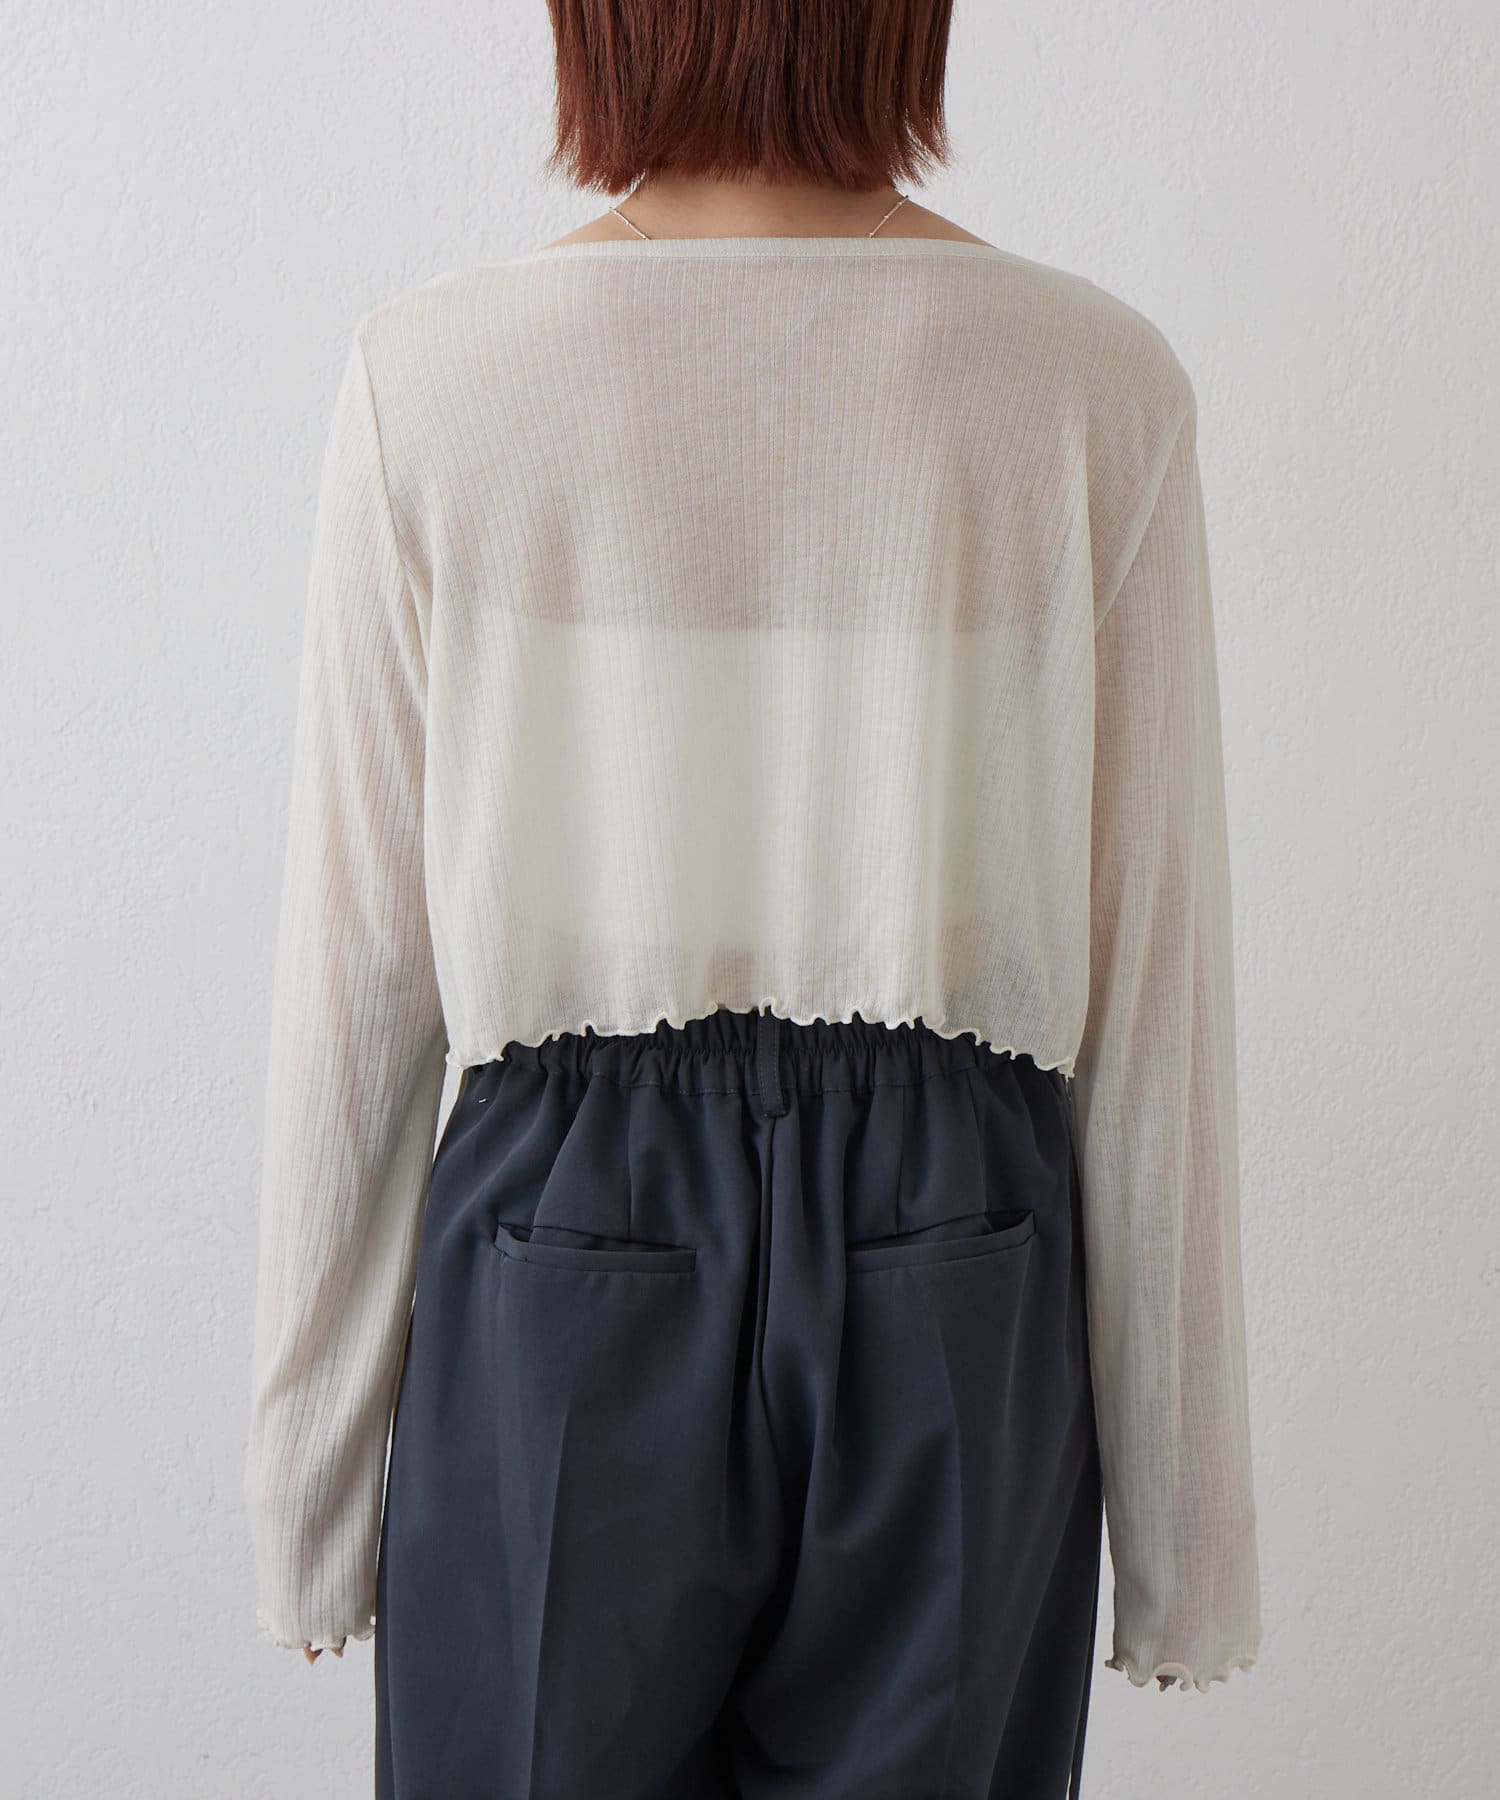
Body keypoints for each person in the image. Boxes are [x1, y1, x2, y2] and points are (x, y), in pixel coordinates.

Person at [244, 1, 1263, 1793]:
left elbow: (361, 967)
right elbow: (1152, 974)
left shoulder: (438, 379)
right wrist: (1188, 1533)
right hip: (956, 1236)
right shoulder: (1088, 379)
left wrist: (307, 1490)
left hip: (565, 1227)